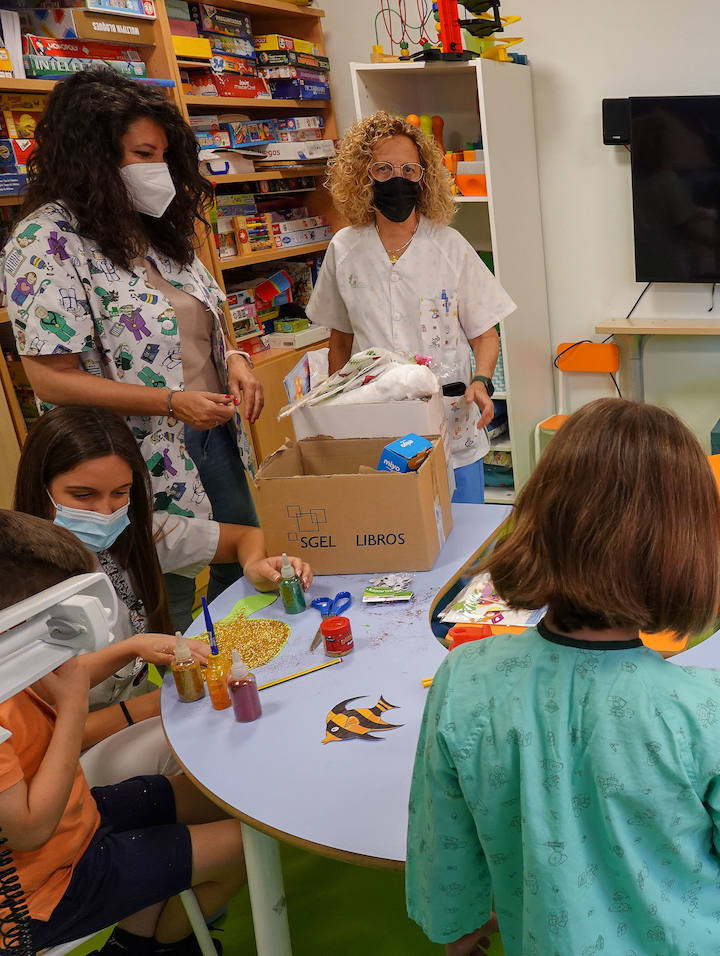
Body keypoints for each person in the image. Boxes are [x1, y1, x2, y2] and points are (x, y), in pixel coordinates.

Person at [406, 398, 720, 954]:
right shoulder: (710, 707)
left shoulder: (465, 679)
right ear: (685, 548)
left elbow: (444, 854)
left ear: (538, 517)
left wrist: (456, 928)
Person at [1, 69, 264, 631]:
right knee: (161, 588)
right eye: (145, 154)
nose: (159, 171)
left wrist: (236, 360)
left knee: (241, 553)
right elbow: (51, 380)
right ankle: (171, 691)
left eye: (164, 156)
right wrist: (171, 402)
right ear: (95, 153)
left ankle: (237, 655)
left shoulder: (154, 229)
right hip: (131, 455)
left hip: (211, 429)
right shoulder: (46, 242)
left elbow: (205, 316)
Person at [13, 405, 312, 785]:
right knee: (227, 745)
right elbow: (41, 735)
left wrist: (253, 565)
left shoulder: (136, 536)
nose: (105, 512)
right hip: (64, 760)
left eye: (120, 493)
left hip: (134, 711)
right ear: (40, 487)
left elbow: (244, 536)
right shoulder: (19, 582)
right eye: (83, 495)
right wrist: (147, 691)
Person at [0, 509, 245, 955]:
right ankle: (163, 947)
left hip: (79, 825)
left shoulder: (11, 658)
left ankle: (135, 937)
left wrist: (131, 646)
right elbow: (30, 829)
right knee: (242, 848)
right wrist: (73, 707)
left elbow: (55, 676)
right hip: (46, 894)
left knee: (208, 796)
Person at [309, 111, 513, 505]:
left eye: (408, 169)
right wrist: (335, 409)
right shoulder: (344, 249)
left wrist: (482, 382)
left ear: (424, 177)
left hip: (451, 418)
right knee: (398, 534)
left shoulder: (449, 246)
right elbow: (340, 342)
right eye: (383, 169)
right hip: (378, 419)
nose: (397, 179)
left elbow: (486, 334)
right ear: (362, 176)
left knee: (464, 544)